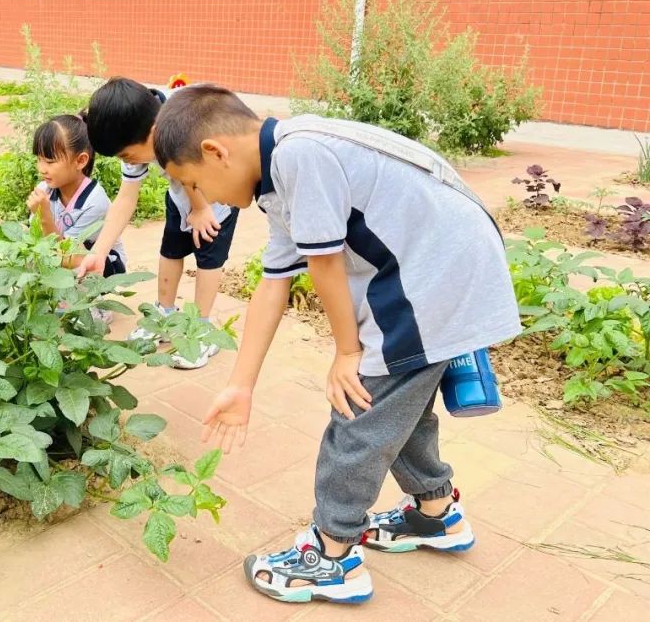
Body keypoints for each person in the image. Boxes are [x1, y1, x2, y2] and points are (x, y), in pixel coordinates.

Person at [151, 85, 520, 605]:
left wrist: (348, 353)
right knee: (396, 408)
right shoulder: (279, 172)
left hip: (433, 276)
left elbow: (323, 263)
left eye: (194, 183)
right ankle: (435, 514)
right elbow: (274, 281)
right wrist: (241, 386)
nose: (202, 197)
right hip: (442, 267)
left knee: (358, 409)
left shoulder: (300, 155)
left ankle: (332, 555)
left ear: (215, 152)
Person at [76, 77, 239, 369]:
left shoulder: (185, 121)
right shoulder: (137, 127)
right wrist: (98, 251)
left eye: (126, 155)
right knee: (171, 250)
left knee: (208, 257)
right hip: (180, 192)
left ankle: (199, 329)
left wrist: (201, 208)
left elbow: (194, 169)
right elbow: (126, 199)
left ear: (153, 132)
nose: (128, 160)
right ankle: (165, 313)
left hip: (217, 193)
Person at [27, 115, 127, 276]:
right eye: (39, 159)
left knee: (76, 261)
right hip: (60, 257)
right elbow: (35, 238)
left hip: (100, 265)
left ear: (80, 161)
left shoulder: (94, 202)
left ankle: (78, 299)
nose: (42, 168)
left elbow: (68, 257)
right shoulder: (44, 189)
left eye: (50, 161)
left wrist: (44, 216)